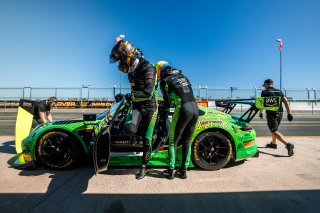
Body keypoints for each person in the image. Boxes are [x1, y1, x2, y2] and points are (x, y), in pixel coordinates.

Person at [110, 35, 158, 179]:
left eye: (121, 60)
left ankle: (144, 167)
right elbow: (133, 93)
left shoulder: (149, 68)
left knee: (147, 140)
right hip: (137, 106)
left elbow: (147, 93)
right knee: (129, 129)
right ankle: (138, 134)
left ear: (128, 57)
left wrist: (130, 96)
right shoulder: (131, 73)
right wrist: (125, 97)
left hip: (150, 108)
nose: (120, 64)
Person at [155, 61, 199, 179]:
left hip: (183, 109)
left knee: (172, 141)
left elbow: (168, 104)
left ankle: (170, 171)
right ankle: (183, 171)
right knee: (187, 141)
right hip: (195, 109)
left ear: (160, 70)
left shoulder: (164, 81)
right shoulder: (183, 76)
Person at [259, 79, 294, 156]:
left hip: (271, 113)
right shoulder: (279, 91)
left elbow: (262, 104)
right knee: (275, 129)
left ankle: (288, 144)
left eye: (264, 85)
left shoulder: (264, 92)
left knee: (274, 130)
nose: (264, 86)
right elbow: (286, 101)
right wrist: (289, 113)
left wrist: (260, 112)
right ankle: (273, 144)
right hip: (280, 113)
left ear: (266, 84)